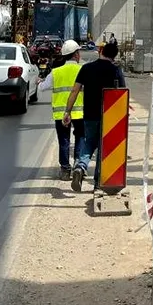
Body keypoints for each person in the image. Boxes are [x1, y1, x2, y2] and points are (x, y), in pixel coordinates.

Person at [63, 41, 125, 192]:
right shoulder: (115, 70)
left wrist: (67, 111)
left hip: (89, 114)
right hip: (109, 116)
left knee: (89, 141)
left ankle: (80, 167)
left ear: (101, 52)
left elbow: (75, 91)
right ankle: (97, 182)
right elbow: (122, 93)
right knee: (103, 146)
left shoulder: (86, 68)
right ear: (114, 56)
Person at [38, 40, 85, 180]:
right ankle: (78, 165)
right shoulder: (83, 70)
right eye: (79, 52)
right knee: (81, 137)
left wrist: (39, 82)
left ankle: (65, 170)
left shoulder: (56, 72)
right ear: (76, 54)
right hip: (80, 112)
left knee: (64, 140)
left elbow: (42, 88)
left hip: (61, 113)